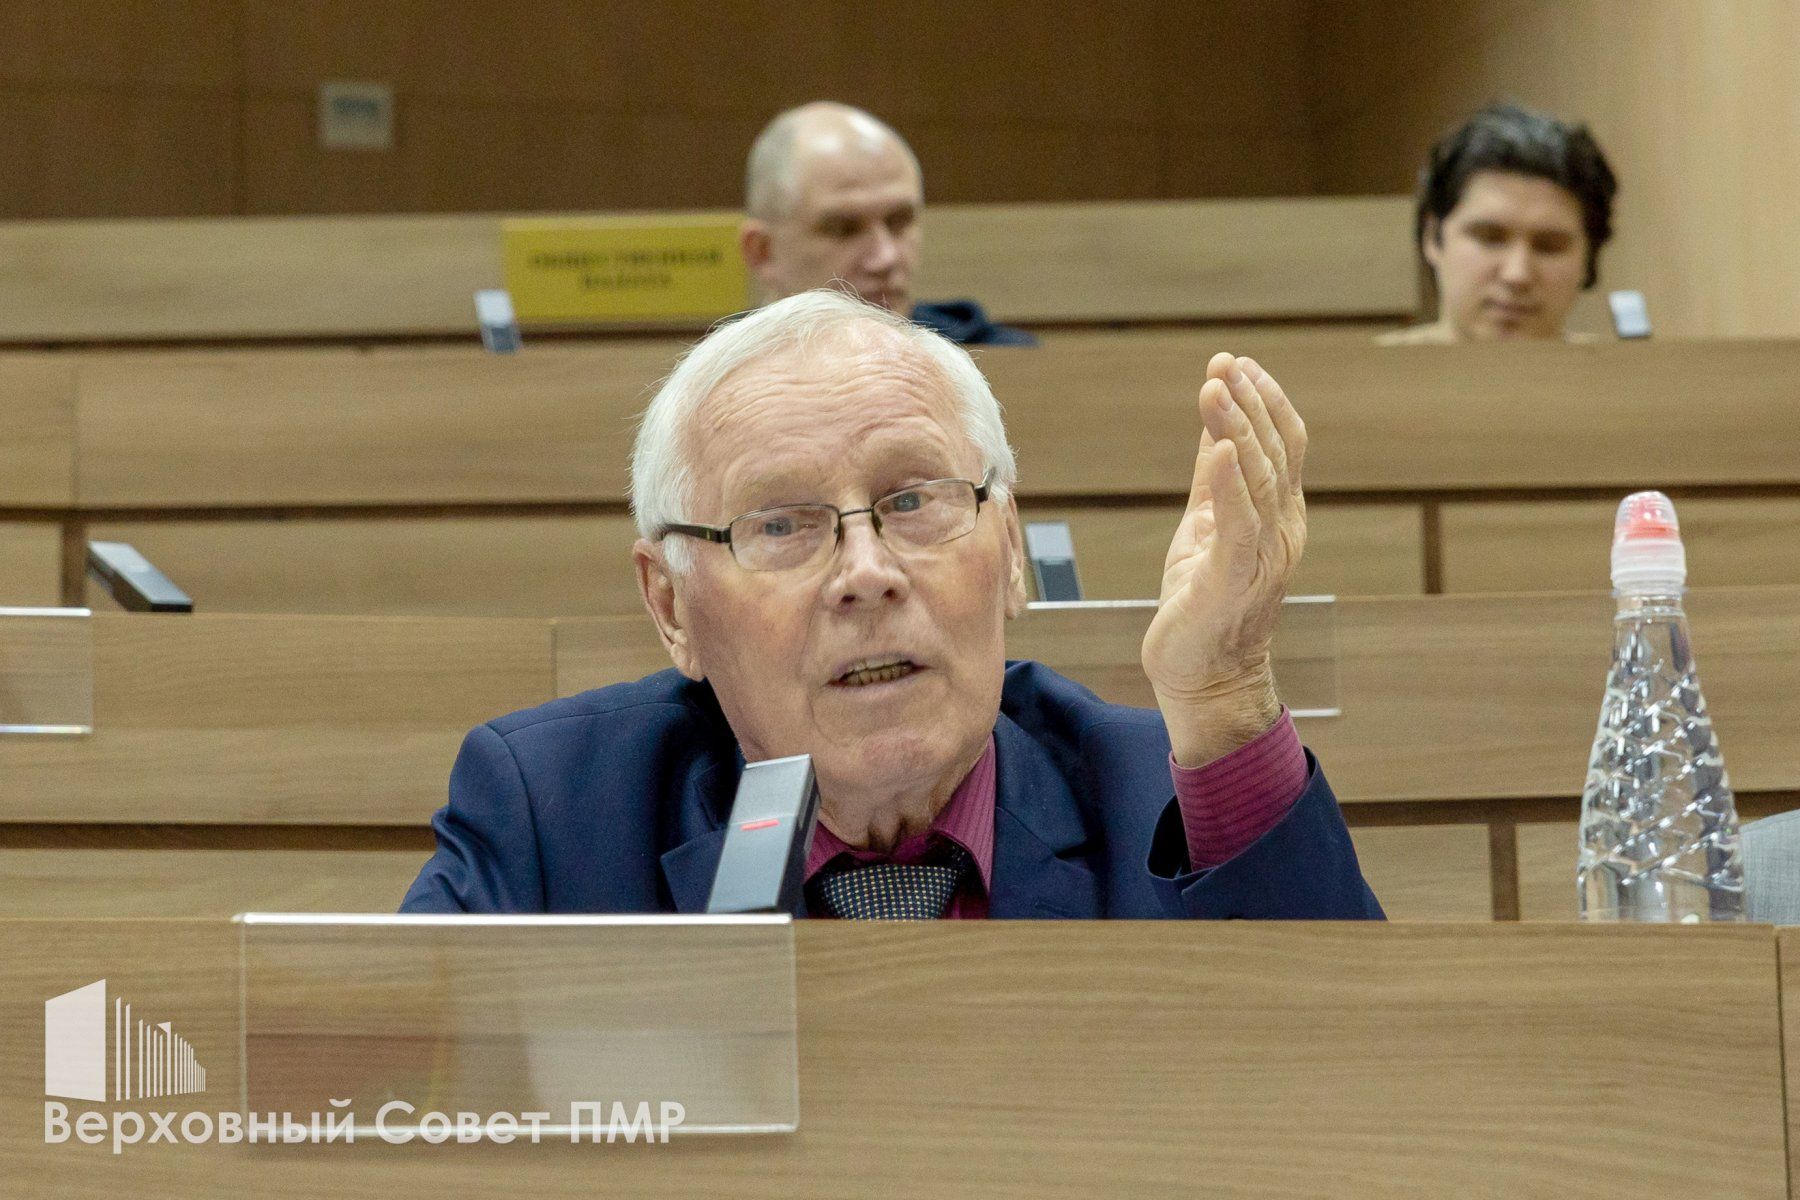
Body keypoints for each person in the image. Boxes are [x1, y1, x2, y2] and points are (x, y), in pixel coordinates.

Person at [402, 289, 1381, 920]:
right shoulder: (556, 821)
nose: (866, 571)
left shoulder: (1166, 797)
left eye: (913, 502)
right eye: (780, 524)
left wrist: (1224, 694)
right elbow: (390, 1114)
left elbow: (1358, 1079)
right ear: (670, 606)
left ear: (1009, 550)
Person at [737, 101, 1035, 347]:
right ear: (762, 251)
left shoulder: (1000, 364)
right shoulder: (716, 385)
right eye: (844, 229)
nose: (885, 258)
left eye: (899, 222)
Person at [1380, 102, 1618, 345]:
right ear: (1432, 237)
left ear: (1589, 257)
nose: (1517, 274)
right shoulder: (1370, 367)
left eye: (1549, 247)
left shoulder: (1623, 369)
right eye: (1489, 238)